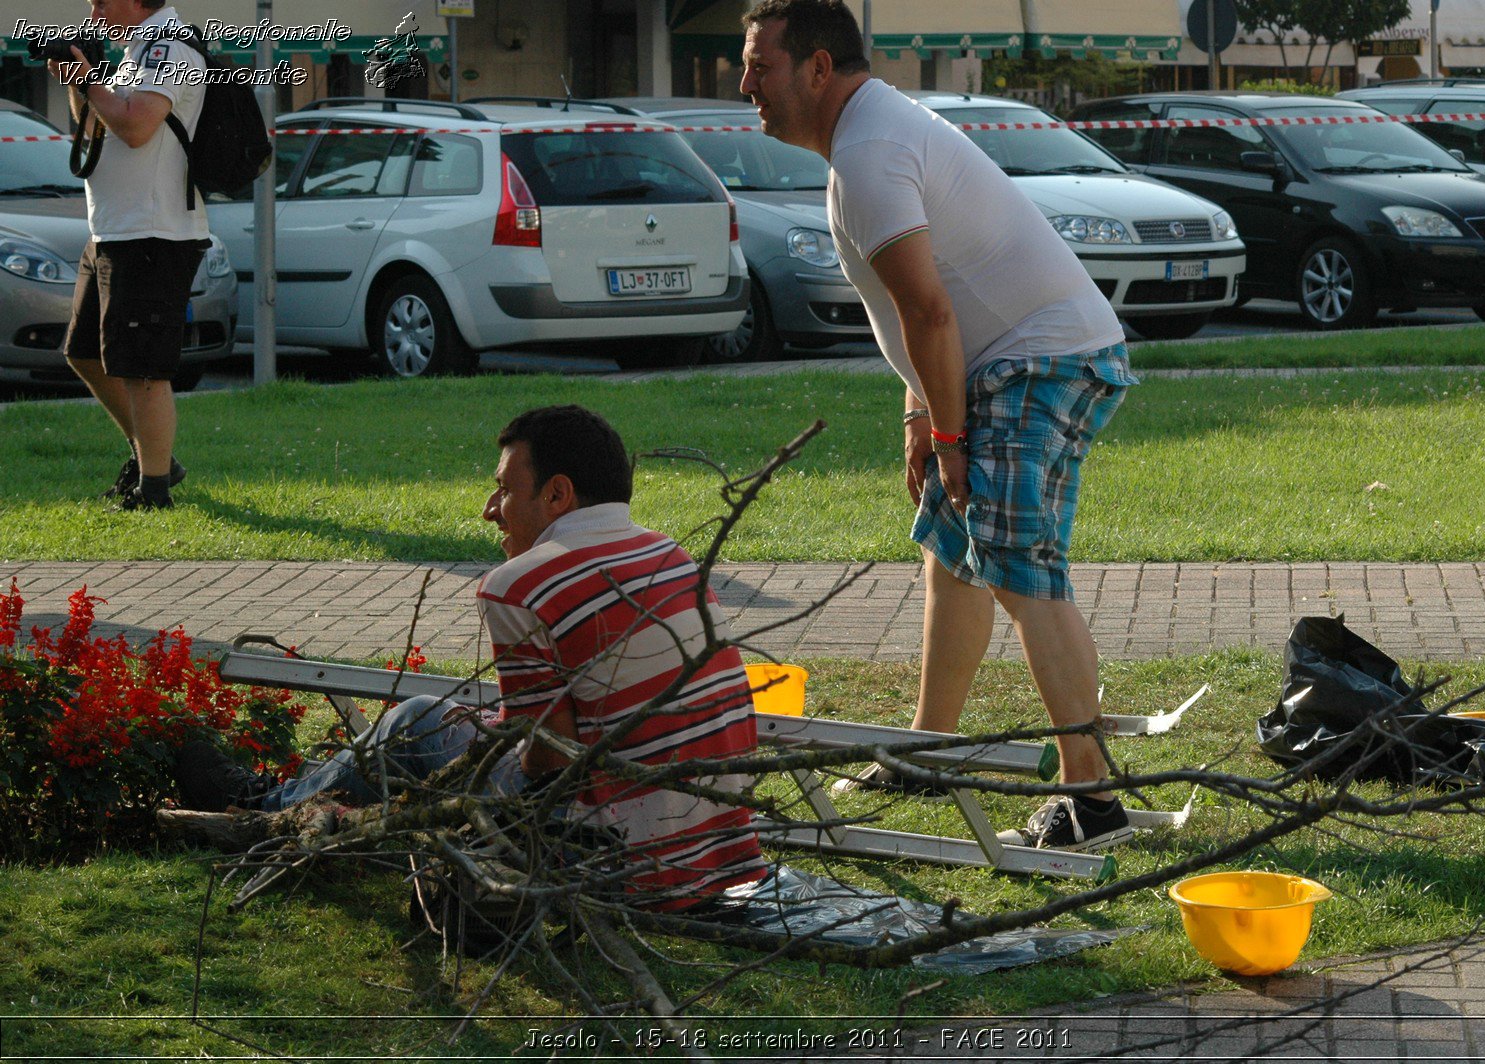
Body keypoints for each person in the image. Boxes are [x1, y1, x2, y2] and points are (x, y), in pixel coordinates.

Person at [740, 0, 1138, 852]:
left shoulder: (871, 153)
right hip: (1014, 358)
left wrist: (952, 439)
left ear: (817, 68)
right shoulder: (868, 141)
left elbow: (929, 307)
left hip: (1042, 358)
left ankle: (1093, 803)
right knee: (954, 554)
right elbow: (919, 304)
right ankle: (928, 753)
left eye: (759, 67)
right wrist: (923, 412)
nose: (746, 87)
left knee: (1025, 574)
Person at [179, 405, 768, 911]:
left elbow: (547, 762)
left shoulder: (521, 582)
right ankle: (307, 794)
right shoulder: (669, 553)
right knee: (447, 727)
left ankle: (267, 808)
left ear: (557, 493)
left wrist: (486, 745)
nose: (491, 508)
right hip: (713, 853)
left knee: (413, 721)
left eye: (506, 489)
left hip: (615, 863)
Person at [49, 0, 209, 509]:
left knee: (143, 369)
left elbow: (137, 128)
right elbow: (99, 126)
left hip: (153, 233)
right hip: (112, 230)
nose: (91, 7)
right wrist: (82, 79)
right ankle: (152, 460)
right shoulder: (133, 52)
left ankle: (154, 491)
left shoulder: (170, 49)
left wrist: (87, 76)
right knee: (84, 353)